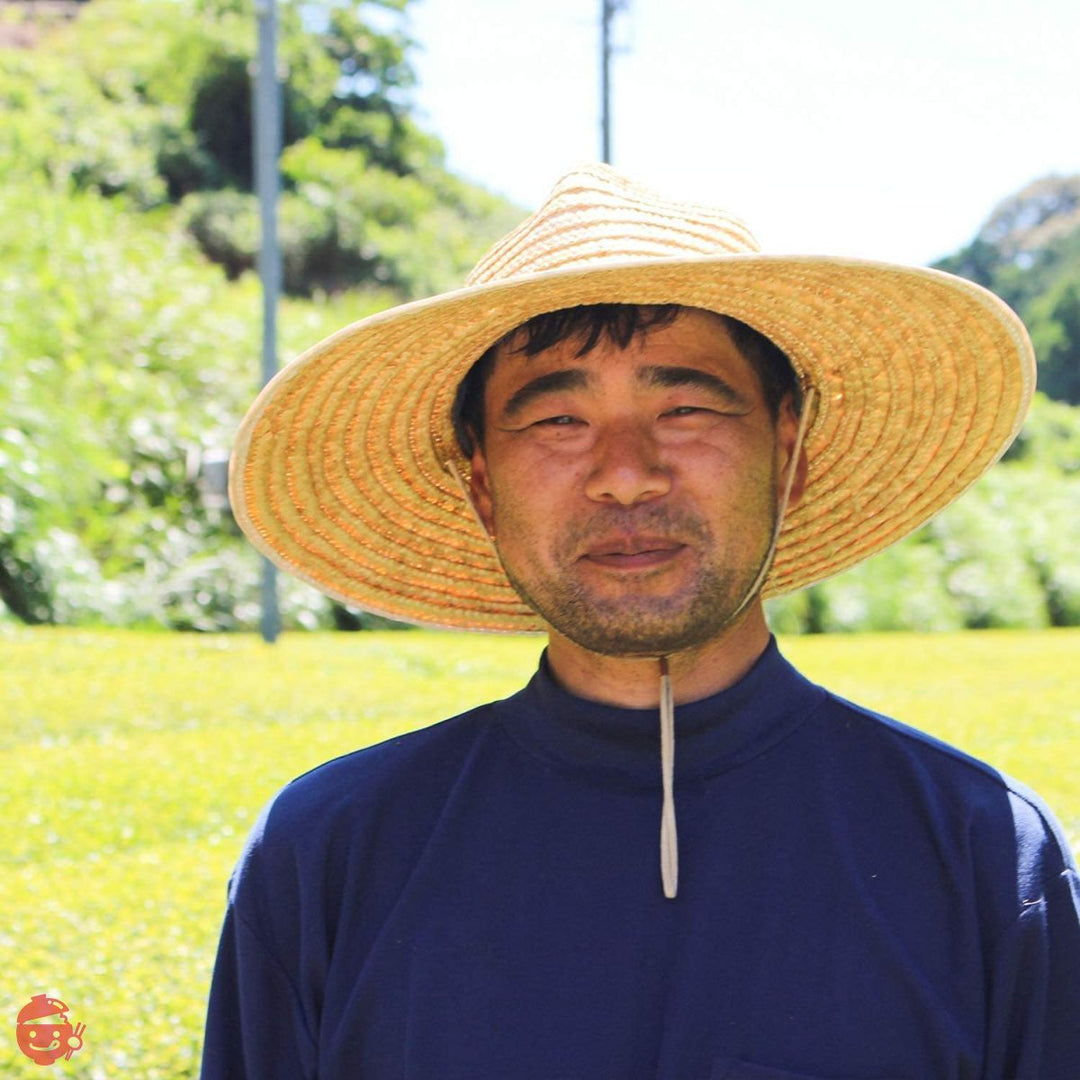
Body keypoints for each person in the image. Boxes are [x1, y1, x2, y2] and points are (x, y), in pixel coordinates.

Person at [202, 165, 1080, 1079]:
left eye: (687, 408)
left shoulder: (986, 859)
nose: (626, 472)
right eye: (557, 420)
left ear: (789, 454)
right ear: (481, 484)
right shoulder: (326, 859)